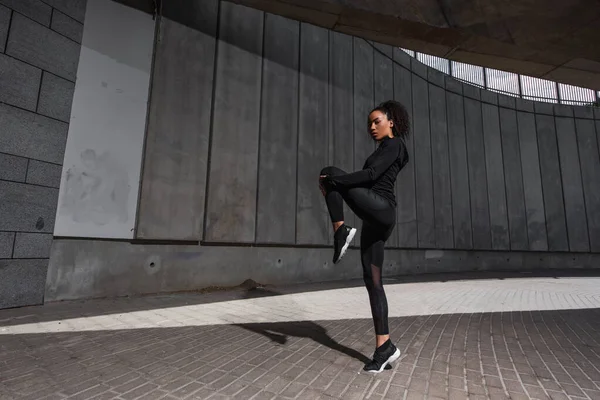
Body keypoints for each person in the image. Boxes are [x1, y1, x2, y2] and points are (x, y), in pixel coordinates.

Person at [318, 100, 410, 373]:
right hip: (375, 219)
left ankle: (341, 231)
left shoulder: (394, 145)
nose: (371, 127)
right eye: (369, 123)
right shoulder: (385, 149)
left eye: (377, 121)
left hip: (382, 209)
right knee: (373, 281)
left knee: (330, 173)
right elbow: (368, 177)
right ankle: (385, 347)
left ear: (391, 121)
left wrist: (333, 182)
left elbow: (370, 175)